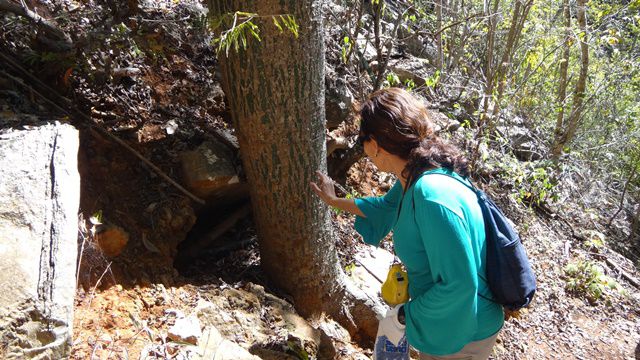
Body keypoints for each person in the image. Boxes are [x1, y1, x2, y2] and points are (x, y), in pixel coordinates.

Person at [310, 88, 504, 360]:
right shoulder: (416, 176)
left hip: (463, 333)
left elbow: (459, 285)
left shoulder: (430, 195)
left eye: (363, 139)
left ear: (375, 144)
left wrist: (405, 315)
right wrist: (334, 201)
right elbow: (385, 207)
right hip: (455, 320)